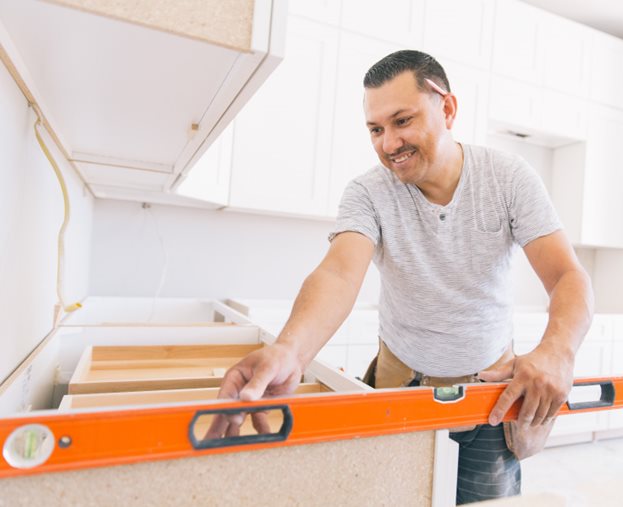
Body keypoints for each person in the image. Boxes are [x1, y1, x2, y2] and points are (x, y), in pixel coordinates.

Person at [208, 50, 593, 504]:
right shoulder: (369, 192)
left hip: (488, 400)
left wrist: (556, 352)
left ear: (447, 109)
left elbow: (567, 275)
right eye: (376, 129)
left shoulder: (508, 178)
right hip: (398, 388)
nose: (389, 143)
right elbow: (337, 273)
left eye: (402, 121)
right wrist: (290, 350)